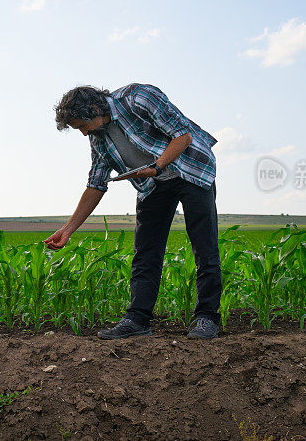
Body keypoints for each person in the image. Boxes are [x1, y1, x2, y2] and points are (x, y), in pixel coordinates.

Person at [45, 83, 222, 340]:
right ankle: (137, 320)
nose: (84, 134)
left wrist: (158, 166)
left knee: (204, 246)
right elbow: (96, 184)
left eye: (82, 126)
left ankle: (207, 318)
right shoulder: (98, 138)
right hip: (153, 184)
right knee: (145, 252)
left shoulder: (139, 97)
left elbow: (183, 135)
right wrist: (67, 230)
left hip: (191, 169)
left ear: (94, 109)